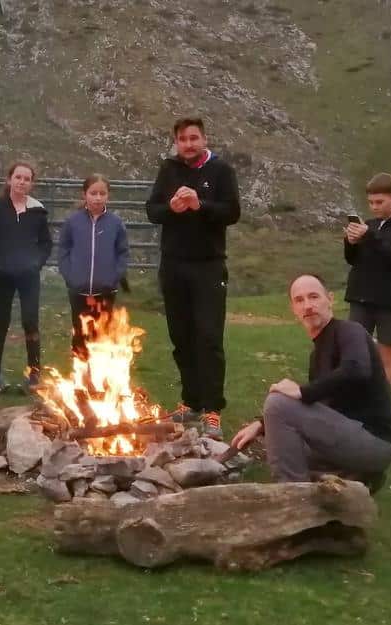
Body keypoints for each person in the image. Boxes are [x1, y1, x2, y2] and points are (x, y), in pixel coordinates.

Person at [231, 274, 391, 491]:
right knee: (281, 445)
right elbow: (320, 405)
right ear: (293, 309)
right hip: (350, 438)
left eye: (313, 297)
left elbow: (357, 369)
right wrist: (261, 424)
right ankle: (353, 477)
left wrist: (303, 391)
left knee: (277, 404)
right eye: (299, 300)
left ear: (330, 299)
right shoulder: (317, 353)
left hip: (375, 441)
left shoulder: (349, 331)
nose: (308, 306)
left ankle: (292, 498)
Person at [145, 116, 241, 440]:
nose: (188, 144)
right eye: (183, 139)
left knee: (209, 338)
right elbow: (151, 211)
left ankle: (213, 409)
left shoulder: (221, 171)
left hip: (209, 266)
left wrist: (201, 206)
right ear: (176, 142)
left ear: (204, 139)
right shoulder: (168, 169)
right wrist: (171, 207)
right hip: (173, 265)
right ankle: (190, 401)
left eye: (194, 138)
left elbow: (232, 212)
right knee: (181, 337)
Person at [344, 173, 391, 387]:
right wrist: (350, 242)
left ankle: (386, 410)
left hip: (389, 301)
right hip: (360, 298)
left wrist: (368, 236)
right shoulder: (369, 226)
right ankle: (357, 401)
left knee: (387, 355)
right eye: (370, 202)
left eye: (379, 202)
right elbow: (353, 260)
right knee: (355, 352)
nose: (374, 207)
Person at [0, 161, 52, 393]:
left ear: (32, 184)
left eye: (27, 179)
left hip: (29, 276)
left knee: (30, 321)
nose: (22, 182)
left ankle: (34, 373)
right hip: (3, 274)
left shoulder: (37, 211)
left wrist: (36, 263)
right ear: (9, 179)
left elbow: (46, 243)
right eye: (18, 177)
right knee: (1, 321)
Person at [58, 174, 129, 356]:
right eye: (93, 193)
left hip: (105, 292)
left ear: (108, 196)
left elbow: (122, 252)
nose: (98, 197)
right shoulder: (73, 222)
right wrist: (69, 274)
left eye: (102, 193)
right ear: (85, 195)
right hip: (78, 291)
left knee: (102, 337)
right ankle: (80, 378)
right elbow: (64, 249)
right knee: (80, 335)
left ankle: (101, 380)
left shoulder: (115, 223)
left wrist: (115, 276)